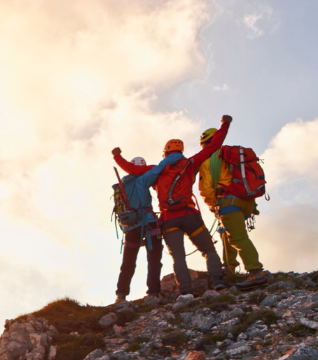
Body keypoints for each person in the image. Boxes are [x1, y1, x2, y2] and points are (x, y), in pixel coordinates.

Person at [112, 115, 233, 296]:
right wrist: (224, 125)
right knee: (208, 249)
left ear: (165, 153)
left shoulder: (157, 170)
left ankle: (185, 292)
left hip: (169, 220)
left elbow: (132, 170)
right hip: (190, 215)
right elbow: (214, 146)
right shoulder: (191, 163)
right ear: (181, 151)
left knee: (178, 257)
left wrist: (117, 156)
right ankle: (218, 282)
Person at [197, 127, 268, 290]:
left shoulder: (208, 161)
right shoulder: (231, 156)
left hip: (228, 202)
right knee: (228, 231)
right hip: (246, 201)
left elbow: (206, 190)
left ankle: (255, 272)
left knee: (237, 238)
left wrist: (213, 206)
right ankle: (230, 266)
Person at [114, 153, 182, 302]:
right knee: (154, 259)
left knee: (128, 262)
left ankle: (121, 294)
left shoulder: (122, 184)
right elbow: (159, 168)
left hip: (130, 227)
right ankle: (153, 292)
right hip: (148, 223)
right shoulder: (143, 179)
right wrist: (176, 155)